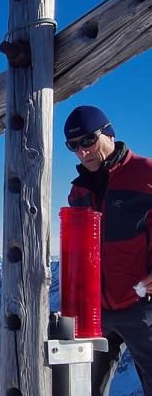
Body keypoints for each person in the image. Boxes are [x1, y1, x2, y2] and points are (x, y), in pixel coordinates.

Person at [64, 105, 152, 395]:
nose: (82, 151)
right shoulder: (78, 191)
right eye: (73, 145)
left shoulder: (145, 174)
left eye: (88, 140)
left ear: (109, 134)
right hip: (95, 312)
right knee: (83, 389)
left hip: (142, 307)